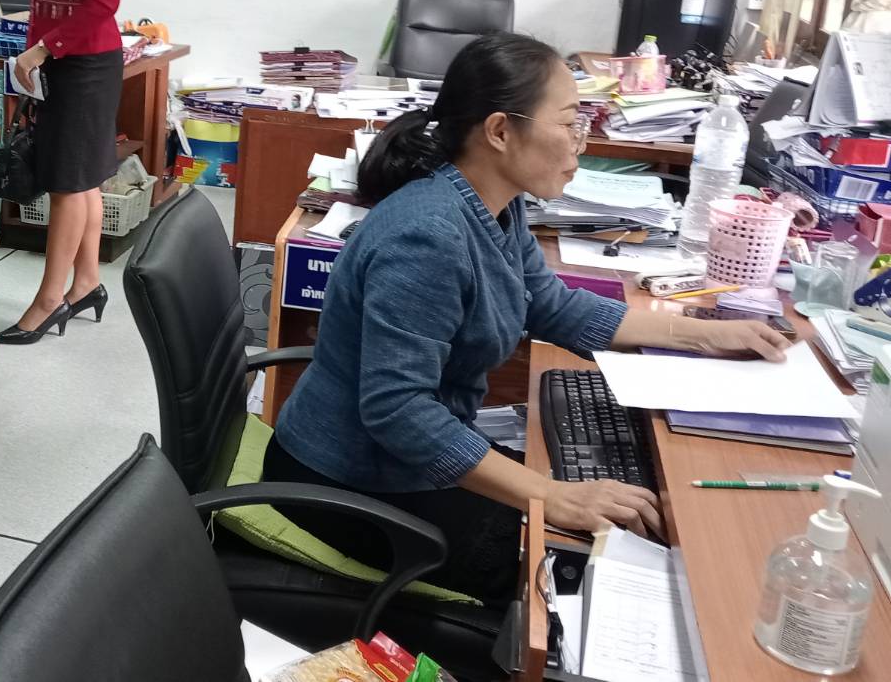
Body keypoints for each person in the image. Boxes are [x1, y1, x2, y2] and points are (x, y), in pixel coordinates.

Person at [263, 32, 790, 604]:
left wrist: (706, 336)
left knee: (589, 525)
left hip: (406, 461)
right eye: (569, 123)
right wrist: (553, 497)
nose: (580, 143)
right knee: (558, 570)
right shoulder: (427, 238)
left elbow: (551, 306)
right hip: (349, 481)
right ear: (499, 131)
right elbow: (399, 412)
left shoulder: (495, 204)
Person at [0, 0, 125, 344]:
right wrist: (32, 57)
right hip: (52, 61)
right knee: (83, 180)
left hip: (88, 62)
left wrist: (43, 50)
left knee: (66, 185)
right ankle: (87, 282)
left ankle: (49, 300)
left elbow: (103, 2)